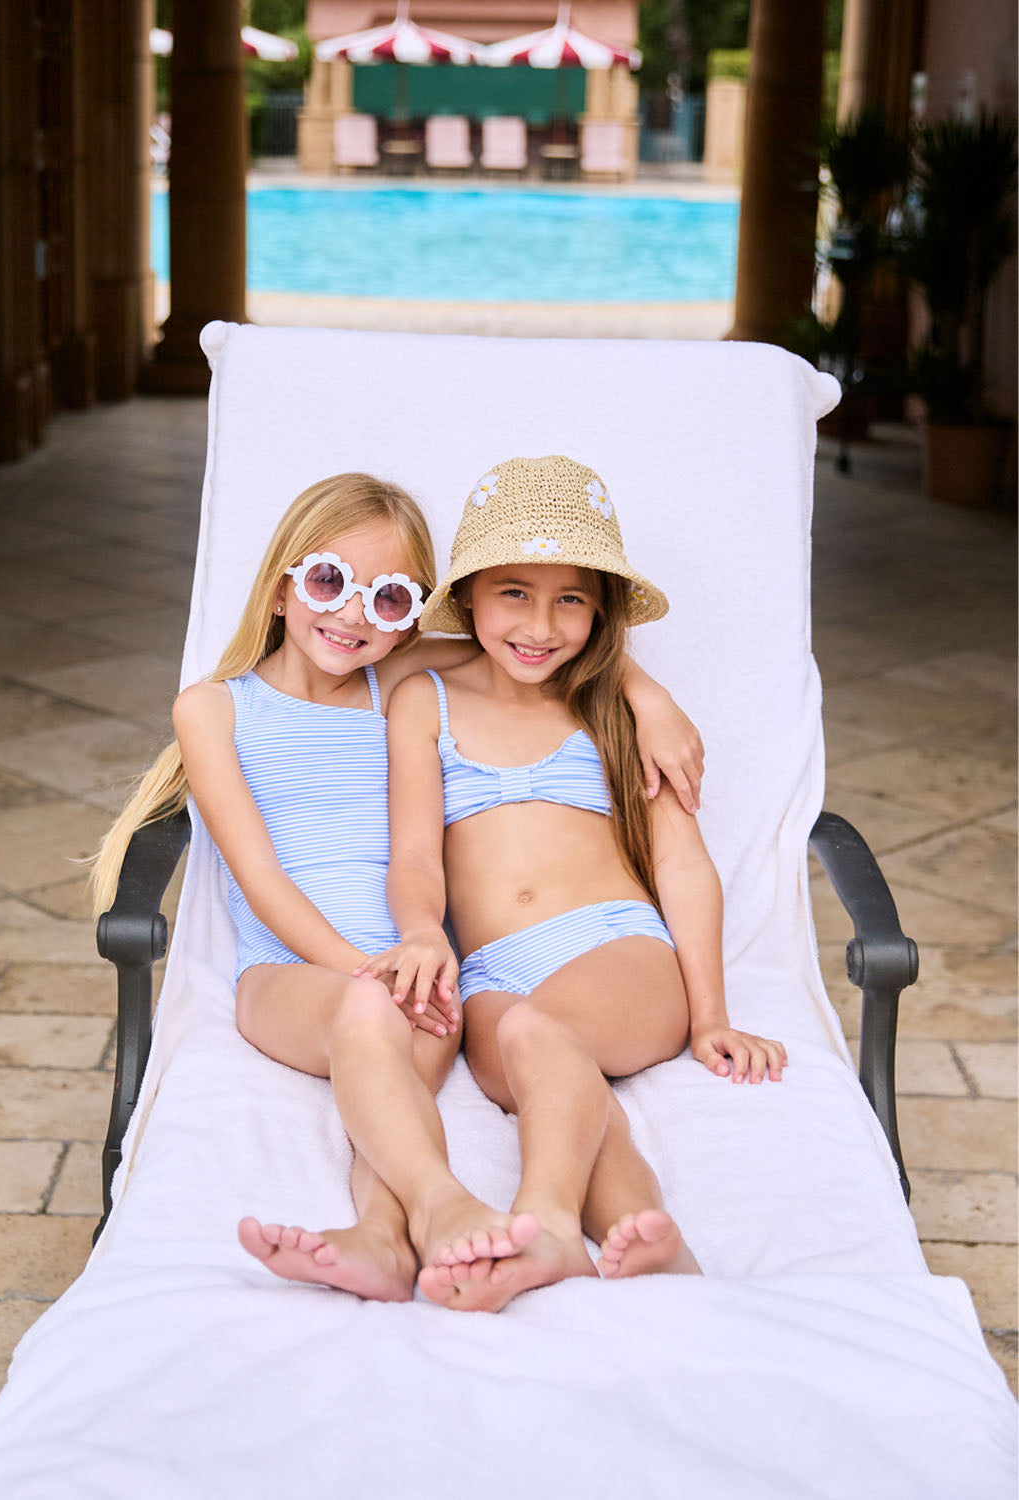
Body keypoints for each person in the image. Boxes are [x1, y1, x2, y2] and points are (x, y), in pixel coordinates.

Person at [93, 470, 706, 1303]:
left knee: (425, 1073)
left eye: (386, 599)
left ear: (410, 619)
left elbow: (543, 655)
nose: (352, 615)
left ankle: (389, 1242)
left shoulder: (397, 684)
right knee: (364, 1016)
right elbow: (261, 877)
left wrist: (650, 695)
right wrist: (364, 970)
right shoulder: (213, 709)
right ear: (280, 587)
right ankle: (441, 1205)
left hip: (417, 978)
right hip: (292, 973)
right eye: (327, 581)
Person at [369, 455, 786, 1313]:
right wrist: (420, 932)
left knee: (541, 1033)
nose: (540, 624)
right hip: (492, 972)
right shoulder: (424, 700)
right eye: (513, 592)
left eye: (571, 599)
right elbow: (413, 857)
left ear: (600, 613)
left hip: (617, 949)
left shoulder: (614, 711)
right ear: (470, 596)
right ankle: (646, 1235)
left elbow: (681, 863)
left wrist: (711, 1016)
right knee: (549, 1074)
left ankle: (546, 1224)